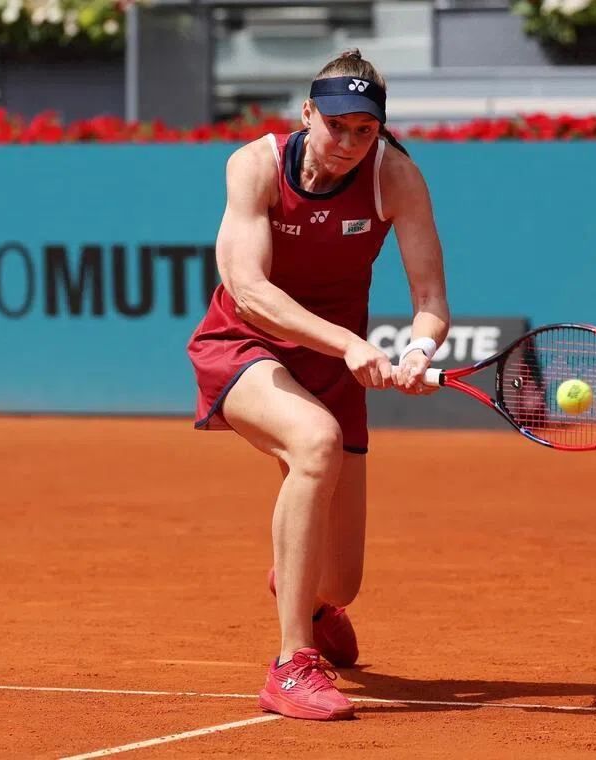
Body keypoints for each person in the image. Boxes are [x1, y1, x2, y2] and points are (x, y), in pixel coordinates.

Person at [186, 49, 450, 722]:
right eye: (337, 127)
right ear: (307, 114)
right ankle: (291, 665)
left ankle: (308, 593)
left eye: (365, 131)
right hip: (244, 346)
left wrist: (419, 350)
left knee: (344, 582)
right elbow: (250, 293)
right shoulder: (254, 166)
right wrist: (350, 342)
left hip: (334, 366)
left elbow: (430, 300)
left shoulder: (397, 178)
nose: (349, 144)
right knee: (315, 441)